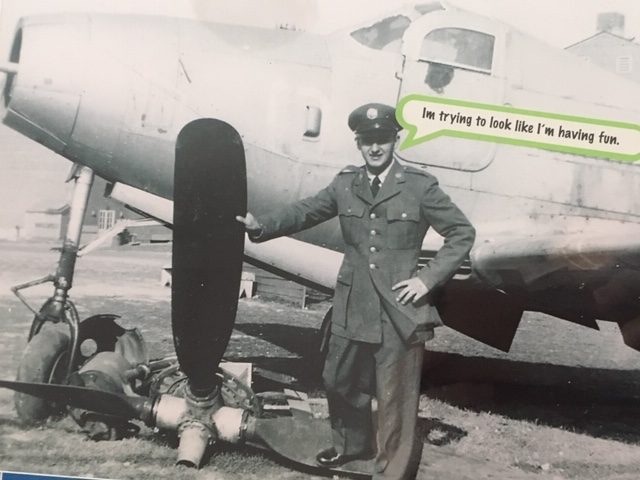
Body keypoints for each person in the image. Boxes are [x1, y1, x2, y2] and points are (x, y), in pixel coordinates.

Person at [237, 102, 475, 479]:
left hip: (400, 307)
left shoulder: (419, 186)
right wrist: (261, 225)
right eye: (367, 141)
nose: (375, 147)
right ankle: (353, 446)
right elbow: (307, 211)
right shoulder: (346, 184)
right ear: (358, 143)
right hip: (353, 304)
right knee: (338, 380)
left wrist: (426, 280)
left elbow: (462, 234)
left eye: (382, 139)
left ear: (395, 139)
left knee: (396, 396)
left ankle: (392, 469)